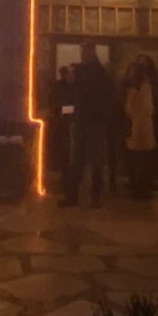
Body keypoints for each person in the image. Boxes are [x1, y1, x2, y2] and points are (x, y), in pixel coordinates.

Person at [62, 53, 118, 206]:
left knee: (81, 160)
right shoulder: (101, 76)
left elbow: (70, 101)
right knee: (93, 161)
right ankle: (92, 198)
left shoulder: (85, 79)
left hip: (86, 122)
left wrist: (69, 113)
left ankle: (75, 196)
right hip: (92, 122)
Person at [122, 56, 158, 198]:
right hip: (139, 126)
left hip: (140, 125)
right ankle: (140, 187)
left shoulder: (143, 88)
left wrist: (132, 112)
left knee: (141, 160)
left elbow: (139, 108)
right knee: (140, 159)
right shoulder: (140, 88)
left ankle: (142, 188)